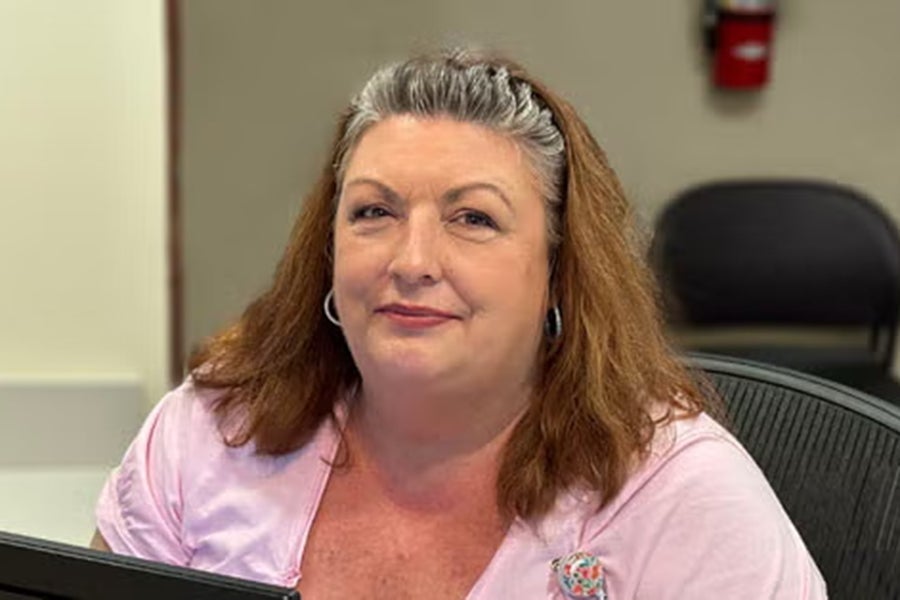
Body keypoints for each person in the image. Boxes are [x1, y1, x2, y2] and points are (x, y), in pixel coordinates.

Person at [92, 49, 827, 599]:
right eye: (374, 212)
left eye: (473, 218)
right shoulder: (213, 428)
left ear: (557, 273)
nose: (412, 260)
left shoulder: (683, 497)